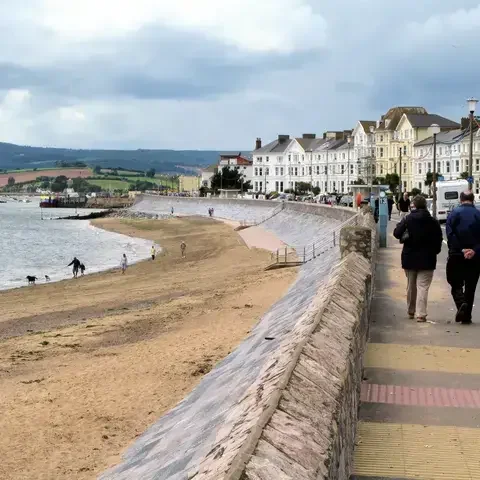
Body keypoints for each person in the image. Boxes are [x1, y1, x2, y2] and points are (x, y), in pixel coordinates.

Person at [393, 195, 443, 322]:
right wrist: (435, 252)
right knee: (423, 287)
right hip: (428, 259)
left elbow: (397, 233)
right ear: (425, 206)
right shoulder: (433, 221)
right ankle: (421, 314)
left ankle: (411, 311)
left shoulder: (408, 219)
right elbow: (438, 240)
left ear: (414, 205)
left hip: (410, 257)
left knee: (411, 286)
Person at [446, 190, 480, 324]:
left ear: (460, 199)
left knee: (455, 282)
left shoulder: (454, 213)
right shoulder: (478, 214)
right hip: (475, 256)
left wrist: (461, 249)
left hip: (456, 254)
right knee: (471, 286)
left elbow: (450, 234)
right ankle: (466, 316)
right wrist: (474, 250)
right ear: (473, 200)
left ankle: (461, 304)